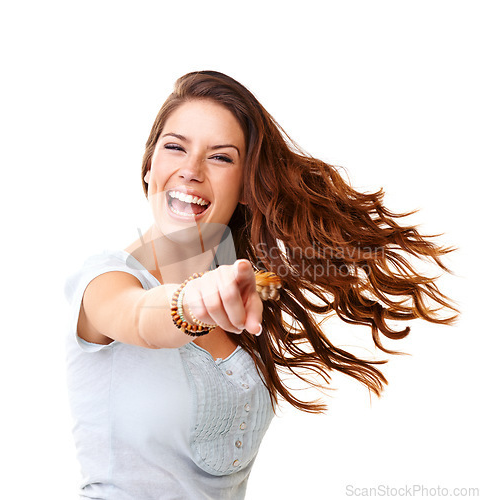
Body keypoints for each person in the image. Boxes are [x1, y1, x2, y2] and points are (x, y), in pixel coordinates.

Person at [65, 70, 457, 499]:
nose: (190, 171)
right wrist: (191, 301)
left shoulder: (247, 287)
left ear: (247, 185)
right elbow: (138, 317)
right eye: (175, 147)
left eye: (220, 157)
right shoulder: (103, 280)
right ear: (149, 165)